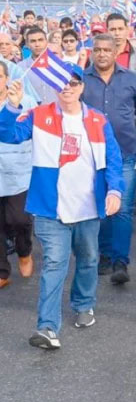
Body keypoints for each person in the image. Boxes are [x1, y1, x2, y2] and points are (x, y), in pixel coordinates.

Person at [0, 65, 123, 350]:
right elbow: (8, 134)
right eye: (62, 83)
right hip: (50, 208)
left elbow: (114, 159)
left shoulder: (97, 119)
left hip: (89, 207)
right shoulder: (39, 115)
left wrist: (115, 190)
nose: (67, 87)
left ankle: (83, 302)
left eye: (73, 82)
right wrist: (11, 104)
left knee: (89, 258)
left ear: (81, 87)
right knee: (55, 263)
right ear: (55, 87)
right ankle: (47, 327)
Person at [82, 33, 136, 285]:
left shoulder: (133, 80)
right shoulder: (79, 80)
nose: (101, 54)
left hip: (125, 153)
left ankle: (121, 260)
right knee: (101, 207)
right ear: (92, 51)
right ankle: (104, 254)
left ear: (116, 52)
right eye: (97, 49)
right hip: (90, 156)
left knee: (122, 209)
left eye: (106, 50)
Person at [0, 61, 37, 288]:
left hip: (19, 172)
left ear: (6, 78)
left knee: (18, 219)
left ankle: (24, 250)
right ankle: (2, 271)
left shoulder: (26, 102)